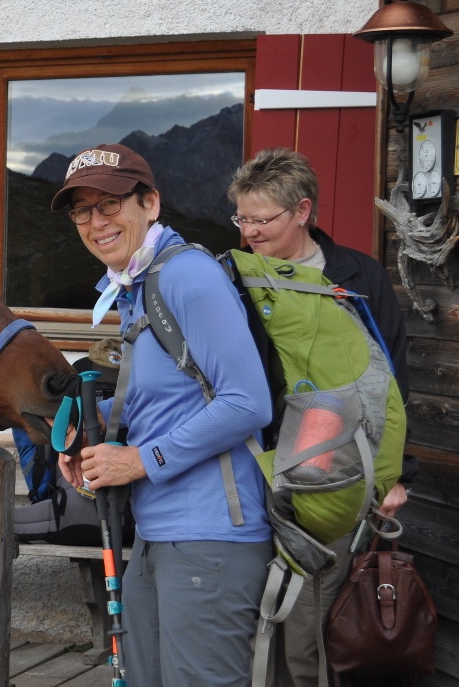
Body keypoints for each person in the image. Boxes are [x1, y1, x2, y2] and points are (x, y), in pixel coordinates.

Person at [53, 143, 273, 687]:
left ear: (150, 203)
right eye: (83, 210)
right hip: (159, 533)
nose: (95, 222)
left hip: (211, 537)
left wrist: (139, 461)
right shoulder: (137, 286)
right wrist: (89, 427)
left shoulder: (187, 276)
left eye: (109, 204)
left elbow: (248, 401)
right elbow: (170, 398)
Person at [227, 146, 415, 687]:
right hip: (260, 461)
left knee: (319, 608)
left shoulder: (359, 274)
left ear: (303, 211)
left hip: (341, 468)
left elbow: (392, 377)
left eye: (262, 219)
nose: (250, 232)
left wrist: (397, 476)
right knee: (263, 606)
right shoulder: (238, 277)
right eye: (242, 217)